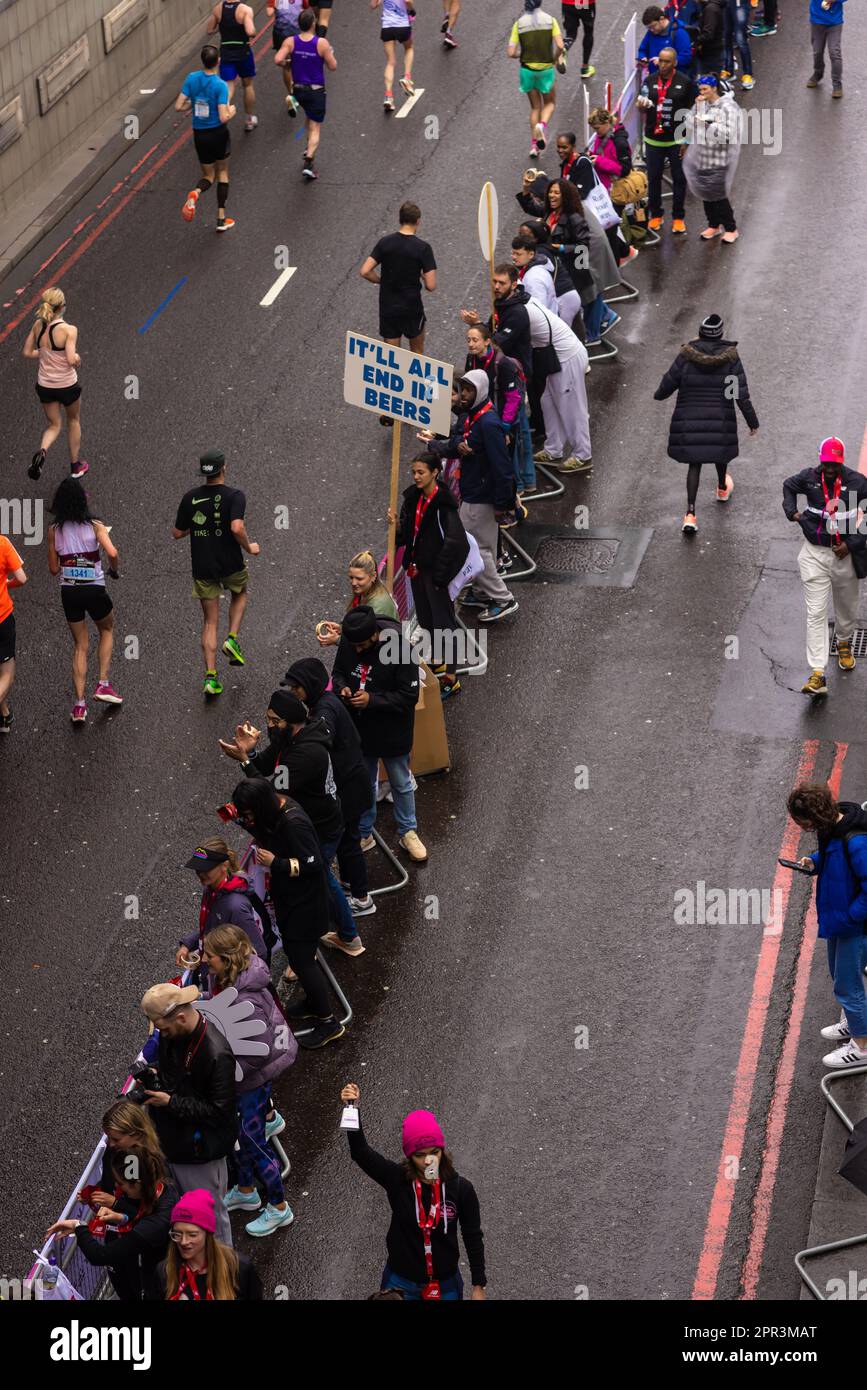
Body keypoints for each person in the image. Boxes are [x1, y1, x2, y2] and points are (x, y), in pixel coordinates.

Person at [221, 690, 362, 955]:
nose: (270, 726)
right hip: (307, 822)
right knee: (320, 879)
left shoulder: (307, 754)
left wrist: (243, 762)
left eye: (275, 721)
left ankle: (342, 938)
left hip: (320, 827)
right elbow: (262, 765)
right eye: (268, 719)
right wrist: (248, 754)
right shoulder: (287, 738)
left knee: (320, 880)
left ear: (292, 721)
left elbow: (269, 791)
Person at [340, 1083, 487, 1300]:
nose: (429, 1160)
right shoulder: (397, 1179)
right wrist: (352, 1107)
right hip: (400, 1283)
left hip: (444, 1285)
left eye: (434, 1152)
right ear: (410, 1157)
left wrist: (478, 1286)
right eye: (420, 1155)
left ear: (442, 1151)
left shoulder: (461, 1189)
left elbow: (472, 1236)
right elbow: (361, 1153)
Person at [231, 776, 347, 1047]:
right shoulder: (275, 811)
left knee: (302, 961)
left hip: (305, 905)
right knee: (303, 958)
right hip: (293, 901)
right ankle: (312, 1002)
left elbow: (314, 863)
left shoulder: (294, 824)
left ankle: (328, 1021)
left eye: (248, 815)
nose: (247, 820)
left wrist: (277, 863)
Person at [202, 926, 297, 1235]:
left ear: (226, 959)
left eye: (209, 955)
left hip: (250, 1082)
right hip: (244, 1080)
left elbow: (257, 1051)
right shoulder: (230, 981)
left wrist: (224, 1074)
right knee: (240, 1136)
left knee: (255, 1143)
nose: (204, 960)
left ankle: (279, 1207)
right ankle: (245, 1190)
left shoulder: (247, 998)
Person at [139, 982, 238, 1244]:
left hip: (200, 1154)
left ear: (181, 1017)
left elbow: (220, 1112)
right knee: (190, 1220)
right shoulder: (176, 1035)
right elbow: (178, 1074)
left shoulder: (216, 1052)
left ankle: (225, 1278)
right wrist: (156, 1075)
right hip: (179, 1145)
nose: (161, 1034)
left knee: (211, 1223)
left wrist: (170, 1102)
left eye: (163, 1028)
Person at [420, 371, 521, 621]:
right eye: (462, 389)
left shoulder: (487, 423)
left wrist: (503, 504)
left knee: (478, 549)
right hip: (476, 493)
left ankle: (502, 598)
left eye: (468, 390)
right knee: (476, 546)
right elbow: (460, 443)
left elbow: (502, 467)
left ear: (481, 391)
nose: (463, 395)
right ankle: (480, 591)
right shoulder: (476, 416)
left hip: (481, 497)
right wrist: (438, 443)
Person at [283, 656, 378, 919]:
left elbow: (322, 737)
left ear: (310, 684)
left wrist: (297, 740)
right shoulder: (324, 702)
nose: (294, 692)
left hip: (349, 789)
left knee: (348, 844)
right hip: (353, 784)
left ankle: (361, 898)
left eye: (296, 687)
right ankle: (351, 886)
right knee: (350, 843)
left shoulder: (325, 710)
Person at [331, 605, 429, 858]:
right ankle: (364, 832)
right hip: (360, 730)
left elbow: (409, 695)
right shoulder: (351, 641)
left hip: (392, 731)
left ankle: (408, 832)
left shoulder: (398, 648)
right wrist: (342, 688)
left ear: (375, 636)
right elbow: (339, 672)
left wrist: (371, 701)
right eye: (353, 646)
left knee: (401, 781)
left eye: (362, 646)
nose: (357, 651)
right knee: (364, 782)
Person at [653, 313, 758, 534]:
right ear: (720, 334)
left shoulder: (686, 356)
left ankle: (690, 514)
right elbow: (737, 393)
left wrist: (659, 394)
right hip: (720, 417)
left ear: (700, 332)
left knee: (695, 463)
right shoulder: (730, 359)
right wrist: (752, 421)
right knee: (720, 453)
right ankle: (722, 487)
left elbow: (667, 385)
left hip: (689, 418)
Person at [787, 784, 867, 1068]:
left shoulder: (856, 840)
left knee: (848, 985)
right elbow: (835, 858)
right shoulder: (831, 828)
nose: (802, 827)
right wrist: (815, 861)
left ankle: (861, 1046)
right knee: (840, 975)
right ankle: (855, 1022)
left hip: (853, 926)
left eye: (802, 821)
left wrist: (851, 917)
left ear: (815, 815)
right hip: (841, 921)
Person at [782, 437, 867, 696]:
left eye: (835, 465)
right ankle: (818, 673)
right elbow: (787, 486)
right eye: (827, 464)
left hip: (845, 556)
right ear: (820, 460)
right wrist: (793, 513)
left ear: (842, 462)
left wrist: (852, 544)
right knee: (816, 613)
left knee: (847, 608)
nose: (830, 470)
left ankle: (843, 641)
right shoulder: (808, 478)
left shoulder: (857, 483)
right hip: (814, 555)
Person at [172, 449, 259, 698]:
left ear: (203, 472)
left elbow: (177, 532)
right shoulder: (235, 496)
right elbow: (236, 527)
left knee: (209, 621)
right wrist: (248, 546)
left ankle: (210, 677)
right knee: (240, 593)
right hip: (230, 562)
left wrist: (200, 524)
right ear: (224, 469)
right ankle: (232, 637)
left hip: (203, 566)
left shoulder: (190, 498)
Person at [46, 1148, 177, 1302]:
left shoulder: (156, 1224)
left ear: (137, 1184)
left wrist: (79, 1226)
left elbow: (99, 1255)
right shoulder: (161, 1190)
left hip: (158, 1287)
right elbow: (139, 1214)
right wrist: (121, 1217)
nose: (118, 1187)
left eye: (122, 1184)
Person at [389, 454, 470, 698]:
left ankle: (451, 677)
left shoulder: (444, 506)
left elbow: (458, 543)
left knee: (445, 624)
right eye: (414, 472)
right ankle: (440, 660)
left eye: (421, 472)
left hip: (434, 575)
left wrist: (440, 577)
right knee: (426, 620)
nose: (416, 477)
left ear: (435, 472)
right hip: (417, 570)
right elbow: (406, 536)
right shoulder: (412, 498)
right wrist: (397, 527)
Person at [47, 477, 122, 722]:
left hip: (69, 591)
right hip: (94, 588)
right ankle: (103, 684)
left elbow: (53, 569)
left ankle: (79, 705)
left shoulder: (54, 531)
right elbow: (112, 553)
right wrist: (113, 569)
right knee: (107, 628)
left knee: (80, 645)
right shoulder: (95, 525)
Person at [360, 203, 437, 368]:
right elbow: (431, 285)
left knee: (391, 358)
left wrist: (381, 280)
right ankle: (416, 389)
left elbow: (365, 271)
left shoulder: (385, 243)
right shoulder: (423, 248)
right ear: (418, 221)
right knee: (417, 354)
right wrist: (422, 276)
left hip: (388, 306)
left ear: (400, 220)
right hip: (412, 307)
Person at [23, 287, 86, 481]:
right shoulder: (69, 330)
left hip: (45, 386)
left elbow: (27, 352)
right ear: (61, 307)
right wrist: (76, 358)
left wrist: (43, 354)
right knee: (73, 420)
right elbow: (69, 359)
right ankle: (76, 467)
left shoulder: (37, 326)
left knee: (53, 425)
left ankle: (42, 452)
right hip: (67, 385)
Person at [542, 179, 616, 345]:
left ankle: (592, 334)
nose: (551, 196)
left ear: (565, 196)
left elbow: (583, 246)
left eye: (556, 192)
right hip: (570, 262)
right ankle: (604, 317)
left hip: (580, 261)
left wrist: (561, 248)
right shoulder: (552, 212)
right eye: (550, 192)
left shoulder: (573, 217)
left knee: (588, 292)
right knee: (585, 293)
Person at [465, 323, 536, 495]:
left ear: (487, 341)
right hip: (488, 413)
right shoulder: (471, 359)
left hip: (506, 415)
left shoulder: (503, 364)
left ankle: (518, 489)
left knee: (511, 454)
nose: (471, 344)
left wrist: (504, 426)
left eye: (475, 340)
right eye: (468, 340)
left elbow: (513, 398)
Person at [156, 1189, 263, 1299]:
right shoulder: (165, 1271)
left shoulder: (238, 1268)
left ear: (208, 1234)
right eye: (177, 1234)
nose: (183, 1241)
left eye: (192, 1234)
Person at [179, 840, 269, 968]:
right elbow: (213, 926)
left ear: (225, 865)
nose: (200, 874)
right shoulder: (211, 890)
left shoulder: (235, 906)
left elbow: (259, 954)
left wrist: (221, 967)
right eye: (198, 869)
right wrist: (188, 944)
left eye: (206, 869)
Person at [636, 47, 697, 234]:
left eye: (667, 61)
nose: (662, 65)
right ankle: (656, 214)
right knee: (654, 179)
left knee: (679, 179)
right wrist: (640, 105)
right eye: (660, 61)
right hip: (653, 140)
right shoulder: (649, 80)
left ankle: (678, 217)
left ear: (675, 63)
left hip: (676, 141)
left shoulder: (685, 82)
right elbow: (642, 104)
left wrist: (687, 141)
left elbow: (692, 113)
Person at [176, 46, 236, 232]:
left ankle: (196, 192)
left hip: (200, 135)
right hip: (218, 134)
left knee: (208, 176)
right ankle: (220, 219)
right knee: (223, 173)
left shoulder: (192, 78)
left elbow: (179, 106)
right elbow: (223, 116)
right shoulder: (220, 85)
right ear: (218, 61)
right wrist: (232, 111)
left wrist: (193, 105)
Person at [275, 7, 338, 181]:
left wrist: (288, 64)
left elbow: (278, 59)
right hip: (316, 91)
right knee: (316, 126)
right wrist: (329, 54)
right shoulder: (321, 43)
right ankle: (309, 162)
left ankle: (306, 145)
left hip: (298, 89)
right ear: (313, 24)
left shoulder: (290, 41)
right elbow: (333, 66)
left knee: (309, 117)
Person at [682, 74, 741, 242]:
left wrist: (708, 123)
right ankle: (713, 225)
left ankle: (731, 228)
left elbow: (729, 134)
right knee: (706, 193)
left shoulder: (727, 107)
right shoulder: (702, 104)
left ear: (714, 88)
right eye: (700, 89)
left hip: (719, 159)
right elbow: (688, 123)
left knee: (718, 195)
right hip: (702, 157)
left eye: (705, 89)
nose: (702, 92)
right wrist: (698, 111)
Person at [508, 0, 566, 159]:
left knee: (535, 108)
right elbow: (560, 46)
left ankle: (534, 146)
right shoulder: (550, 20)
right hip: (545, 69)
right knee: (550, 103)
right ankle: (542, 125)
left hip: (527, 70)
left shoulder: (518, 24)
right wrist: (553, 59)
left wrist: (524, 53)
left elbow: (511, 52)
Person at [315, 550, 400, 647]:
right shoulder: (365, 592)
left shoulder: (379, 605)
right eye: (351, 577)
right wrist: (342, 629)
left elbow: (369, 644)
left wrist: (338, 640)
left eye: (359, 579)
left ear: (373, 576)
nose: (353, 583)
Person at [207, 0, 257, 130]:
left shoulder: (218, 9)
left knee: (228, 87)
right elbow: (251, 31)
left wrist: (224, 26)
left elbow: (209, 29)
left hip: (226, 53)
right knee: (248, 85)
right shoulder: (245, 10)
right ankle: (249, 119)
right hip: (243, 52)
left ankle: (223, 115)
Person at [0, 534, 26, 736]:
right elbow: (22, 578)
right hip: (2, 618)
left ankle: (4, 715)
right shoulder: (3, 543)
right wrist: (6, 585)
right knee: (7, 673)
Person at [371, 0, 417, 111]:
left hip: (387, 27)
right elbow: (408, 1)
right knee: (409, 48)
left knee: (390, 62)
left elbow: (373, 5)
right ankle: (406, 77)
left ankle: (388, 96)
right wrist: (412, 10)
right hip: (402, 25)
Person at [267, 0, 304, 113]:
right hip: (296, 31)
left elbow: (269, 12)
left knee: (286, 65)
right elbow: (305, 9)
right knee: (299, 59)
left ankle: (291, 94)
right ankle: (300, 86)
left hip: (281, 32)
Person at [511, 234, 558, 316]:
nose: (513, 257)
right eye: (513, 253)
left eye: (518, 254)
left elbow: (539, 312)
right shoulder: (534, 270)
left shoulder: (533, 279)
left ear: (531, 254)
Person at [807, 0, 846, 98]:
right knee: (817, 51)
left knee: (834, 52)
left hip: (834, 22)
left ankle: (837, 84)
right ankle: (818, 73)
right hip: (816, 20)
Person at [637, 4, 693, 70]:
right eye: (648, 28)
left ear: (661, 19)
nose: (651, 30)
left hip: (673, 78)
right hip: (654, 77)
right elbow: (643, 49)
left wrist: (663, 61)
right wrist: (643, 57)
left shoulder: (679, 33)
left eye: (653, 26)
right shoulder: (652, 32)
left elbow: (686, 57)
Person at [721, 0, 755, 89]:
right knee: (726, 37)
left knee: (740, 39)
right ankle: (728, 71)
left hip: (740, 3)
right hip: (726, 3)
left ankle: (748, 74)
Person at [561, 0, 596, 78]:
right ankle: (585, 69)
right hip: (585, 3)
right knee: (588, 32)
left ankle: (564, 48)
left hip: (568, 3)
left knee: (570, 34)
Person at [695, 0, 726, 70]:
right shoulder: (710, 6)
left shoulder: (710, 10)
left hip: (711, 54)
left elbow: (708, 34)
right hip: (714, 51)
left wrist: (693, 41)